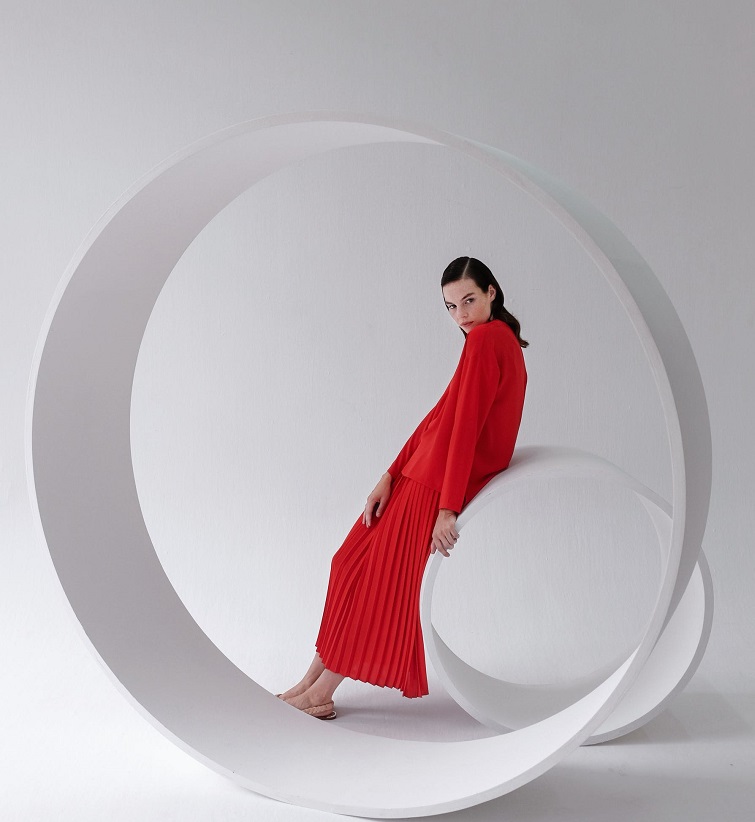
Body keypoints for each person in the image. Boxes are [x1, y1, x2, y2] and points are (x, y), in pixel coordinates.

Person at [278, 257, 528, 719]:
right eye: (451, 306)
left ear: (493, 292)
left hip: (435, 486)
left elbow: (467, 431)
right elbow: (439, 418)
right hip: (417, 474)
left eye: (469, 301)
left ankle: (321, 692)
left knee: (376, 583)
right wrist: (389, 474)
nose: (461, 315)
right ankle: (310, 680)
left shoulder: (490, 340)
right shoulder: (483, 341)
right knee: (348, 561)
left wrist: (448, 508)